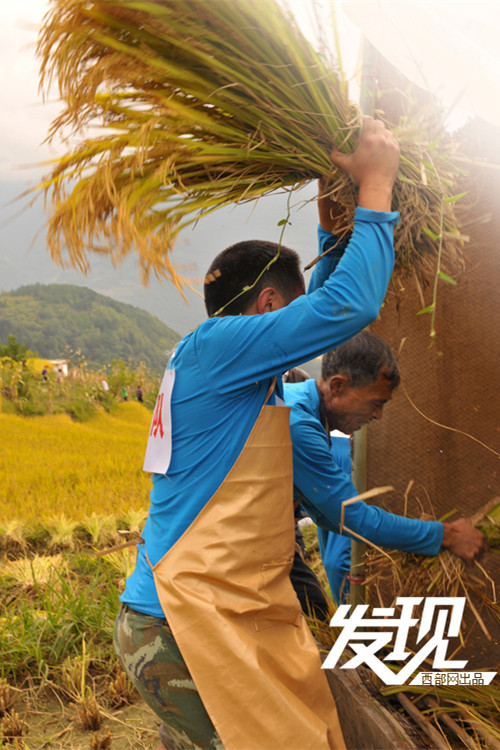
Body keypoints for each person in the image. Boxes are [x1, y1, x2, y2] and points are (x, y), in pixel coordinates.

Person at [114, 116, 401, 750]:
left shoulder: (217, 358)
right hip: (179, 626)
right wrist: (378, 186)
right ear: (269, 308)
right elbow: (344, 309)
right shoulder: (219, 350)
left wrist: (332, 223)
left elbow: (319, 307)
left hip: (205, 611)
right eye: (288, 311)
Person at [285, 332, 487, 609]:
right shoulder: (298, 425)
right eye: (375, 403)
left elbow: (329, 517)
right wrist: (447, 535)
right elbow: (354, 519)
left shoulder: (303, 411)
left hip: (261, 546)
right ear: (339, 386)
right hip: (229, 552)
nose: (378, 415)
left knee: (312, 615)